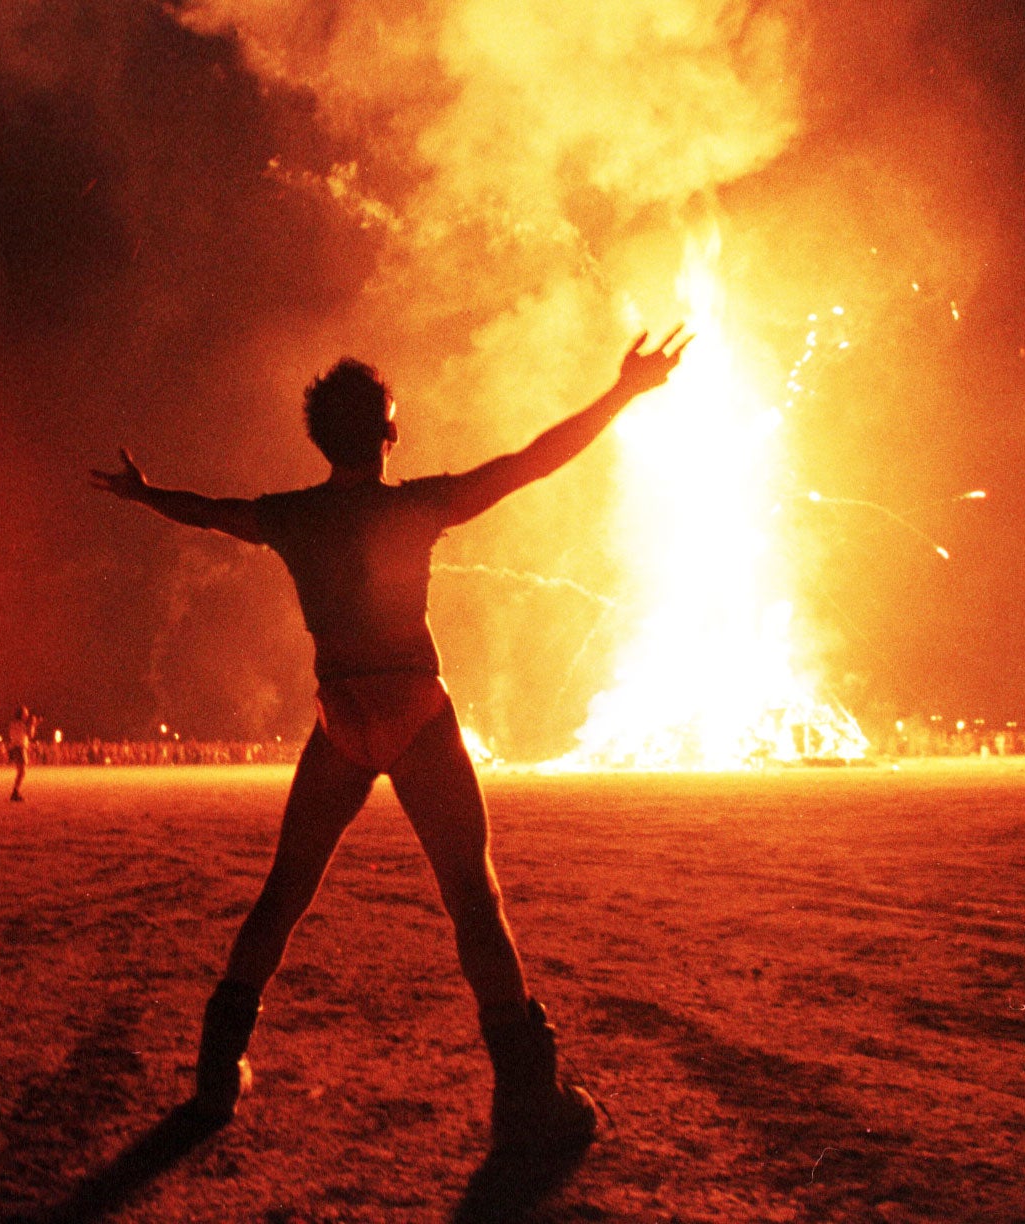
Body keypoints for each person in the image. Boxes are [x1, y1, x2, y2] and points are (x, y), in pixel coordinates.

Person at [90, 327, 689, 1157]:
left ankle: (217, 1074)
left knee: (285, 892)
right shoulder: (417, 505)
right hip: (414, 710)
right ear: (388, 433)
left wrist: (146, 492)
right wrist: (624, 392)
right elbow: (534, 460)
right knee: (472, 901)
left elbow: (209, 513)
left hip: (343, 718)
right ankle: (526, 1097)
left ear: (321, 438)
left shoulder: (290, 517)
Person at [8, 706, 39, 801]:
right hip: (20, 748)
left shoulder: (13, 724)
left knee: (20, 772)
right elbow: (30, 735)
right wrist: (33, 724)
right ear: (21, 714)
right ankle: (15, 792)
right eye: (26, 713)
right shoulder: (22, 725)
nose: (27, 715)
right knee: (22, 772)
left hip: (15, 748)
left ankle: (15, 792)